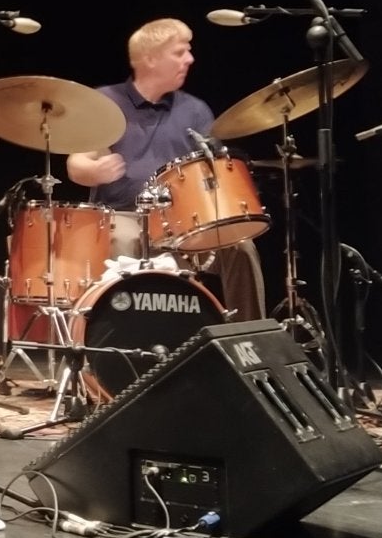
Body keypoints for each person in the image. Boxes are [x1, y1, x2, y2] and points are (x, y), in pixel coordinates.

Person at [65, 17, 266, 322]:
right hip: (124, 216)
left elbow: (212, 172)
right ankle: (122, 339)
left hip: (184, 223)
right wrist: (95, 171)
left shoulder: (195, 110)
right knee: (122, 241)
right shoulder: (106, 101)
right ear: (150, 58)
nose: (190, 59)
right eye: (180, 52)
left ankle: (251, 335)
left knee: (241, 246)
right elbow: (75, 164)